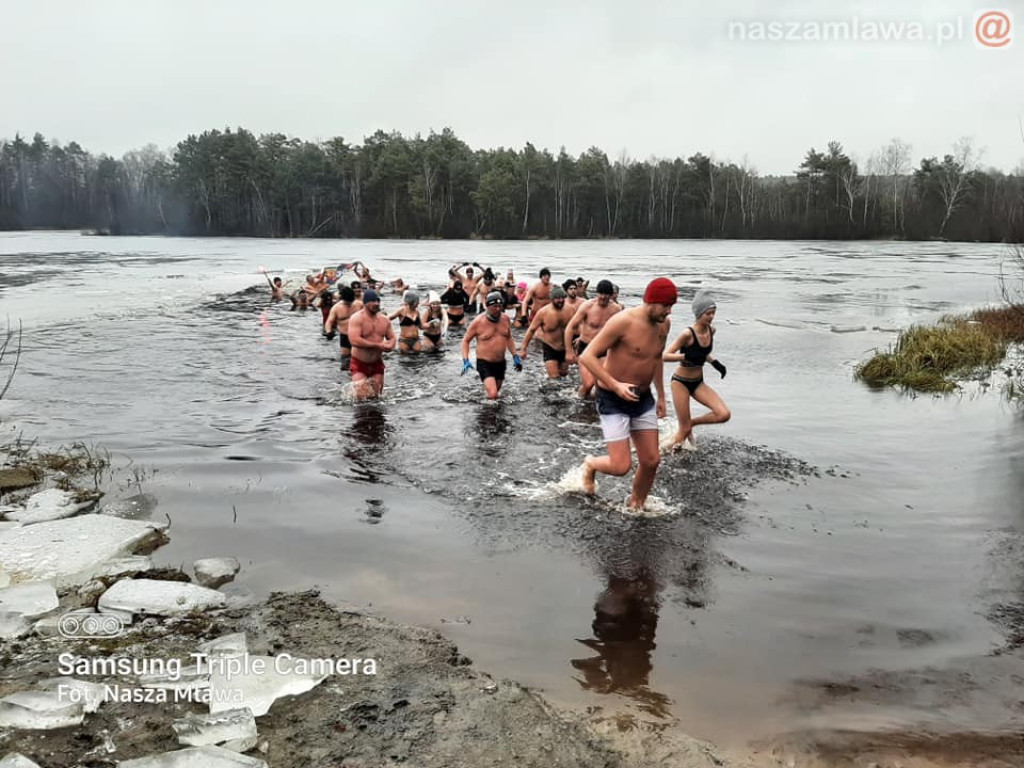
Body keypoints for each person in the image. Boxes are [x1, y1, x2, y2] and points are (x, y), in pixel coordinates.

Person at [579, 277, 676, 511]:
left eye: (672, 306)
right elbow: (587, 356)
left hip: (642, 398)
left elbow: (656, 358)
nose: (669, 311)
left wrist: (661, 396)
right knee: (621, 466)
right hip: (612, 398)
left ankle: (636, 504)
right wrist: (615, 386)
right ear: (652, 301)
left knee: (651, 460)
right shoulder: (622, 321)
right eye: (666, 305)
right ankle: (591, 464)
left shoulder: (664, 325)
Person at [664, 290, 730, 451]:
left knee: (723, 414)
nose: (711, 317)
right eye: (708, 313)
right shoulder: (687, 334)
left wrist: (715, 363)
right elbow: (664, 356)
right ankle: (665, 454)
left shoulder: (711, 331)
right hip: (680, 383)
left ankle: (691, 423)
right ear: (699, 313)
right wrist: (685, 356)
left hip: (698, 382)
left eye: (713, 313)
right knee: (684, 430)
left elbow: (702, 353)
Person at [565, 279, 622, 398]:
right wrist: (569, 351)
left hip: (604, 350)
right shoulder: (587, 306)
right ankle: (578, 400)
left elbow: (621, 332)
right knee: (588, 384)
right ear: (597, 293)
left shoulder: (616, 309)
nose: (603, 297)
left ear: (611, 295)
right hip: (586, 348)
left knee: (601, 385)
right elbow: (570, 327)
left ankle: (594, 406)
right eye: (601, 294)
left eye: (606, 295)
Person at [461, 291, 521, 399]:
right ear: (487, 306)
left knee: (496, 394)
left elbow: (509, 337)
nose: (498, 309)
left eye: (500, 306)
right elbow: (465, 341)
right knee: (493, 394)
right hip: (484, 363)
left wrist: (515, 355)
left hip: (500, 363)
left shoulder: (505, 319)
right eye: (494, 306)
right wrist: (466, 360)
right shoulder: (478, 322)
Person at [347, 289, 396, 400]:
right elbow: (354, 340)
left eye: (378, 301)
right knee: (361, 396)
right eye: (373, 301)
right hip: (359, 363)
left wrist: (390, 346)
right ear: (365, 303)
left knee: (376, 397)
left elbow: (392, 337)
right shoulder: (357, 318)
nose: (376, 303)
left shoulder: (384, 320)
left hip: (376, 363)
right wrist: (378, 345)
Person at [520, 285, 575, 378]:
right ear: (551, 299)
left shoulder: (570, 310)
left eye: (562, 298)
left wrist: (577, 345)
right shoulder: (543, 312)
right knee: (554, 377)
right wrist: (523, 349)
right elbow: (531, 330)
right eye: (557, 298)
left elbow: (577, 327)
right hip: (550, 347)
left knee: (564, 375)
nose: (561, 300)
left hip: (565, 348)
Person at [325, 286, 364, 366]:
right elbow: (329, 322)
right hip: (345, 336)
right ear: (342, 298)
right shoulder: (336, 308)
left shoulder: (359, 304)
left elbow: (371, 314)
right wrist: (329, 331)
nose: (349, 304)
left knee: (361, 359)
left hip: (359, 335)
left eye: (351, 301)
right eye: (347, 302)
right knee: (345, 360)